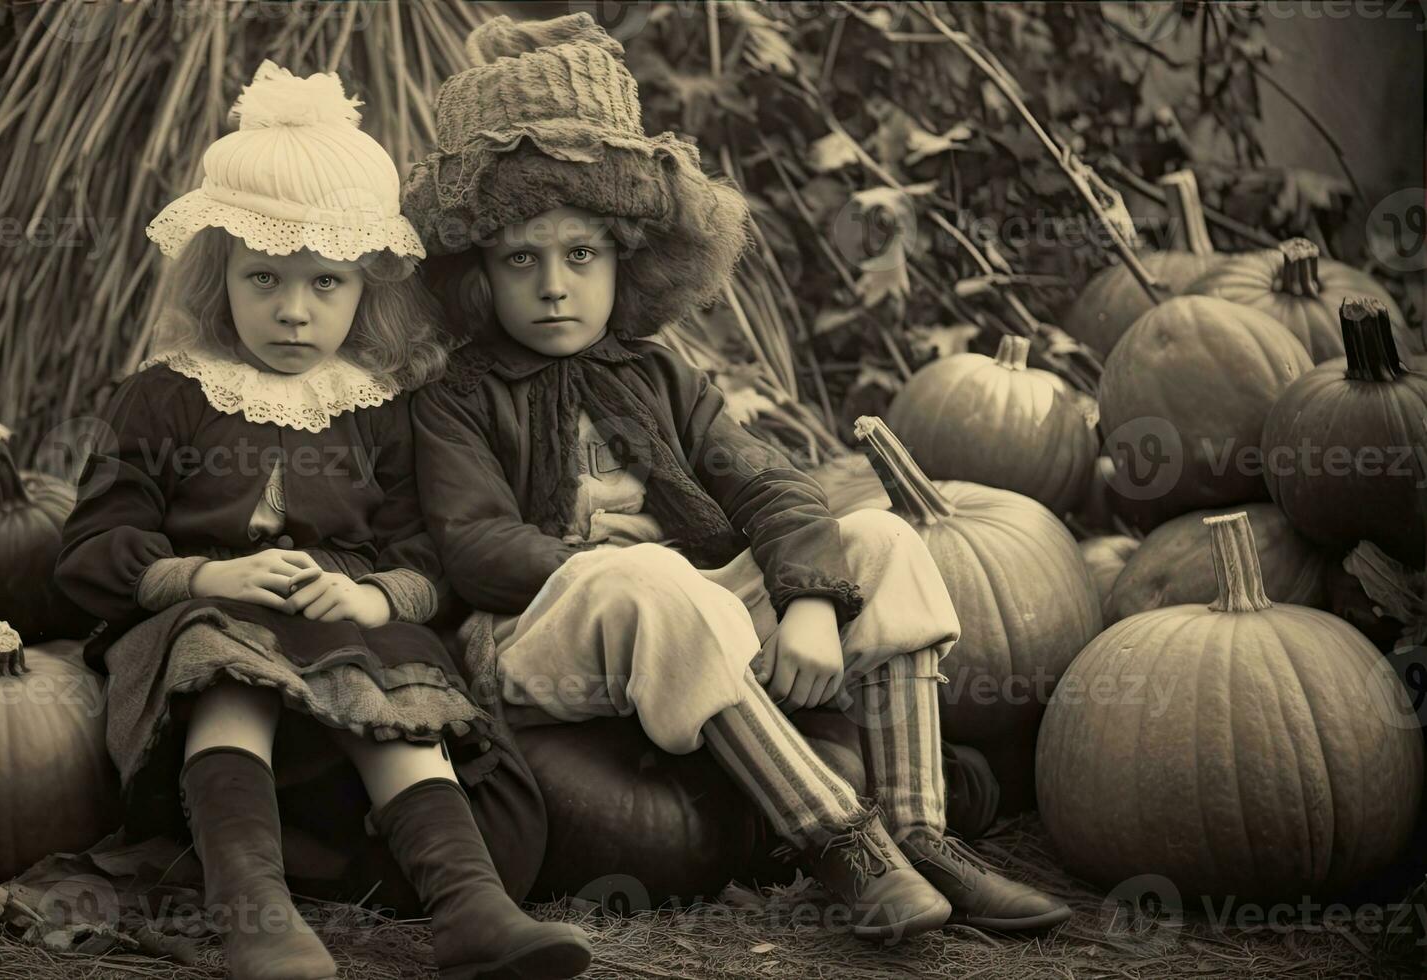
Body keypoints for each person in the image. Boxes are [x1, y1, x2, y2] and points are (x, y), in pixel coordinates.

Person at [401, 13, 1071, 942]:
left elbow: (771, 483)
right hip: (542, 636)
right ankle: (841, 841)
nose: (554, 285)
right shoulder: (456, 397)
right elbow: (476, 546)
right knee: (648, 575)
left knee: (882, 539)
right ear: (477, 275)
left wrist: (805, 599)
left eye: (580, 255)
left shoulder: (661, 371)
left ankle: (920, 834)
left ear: (626, 258)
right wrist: (621, 570)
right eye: (523, 258)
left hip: (692, 618)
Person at [56, 61, 591, 980]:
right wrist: (202, 575)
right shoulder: (163, 397)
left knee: (402, 690)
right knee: (227, 662)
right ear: (215, 271)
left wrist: (379, 598)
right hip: (206, 626)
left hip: (350, 645)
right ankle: (254, 914)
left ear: (367, 286)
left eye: (325, 284)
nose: (294, 311)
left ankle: (469, 908)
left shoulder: (379, 406)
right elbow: (90, 547)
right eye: (262, 278)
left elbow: (423, 549)